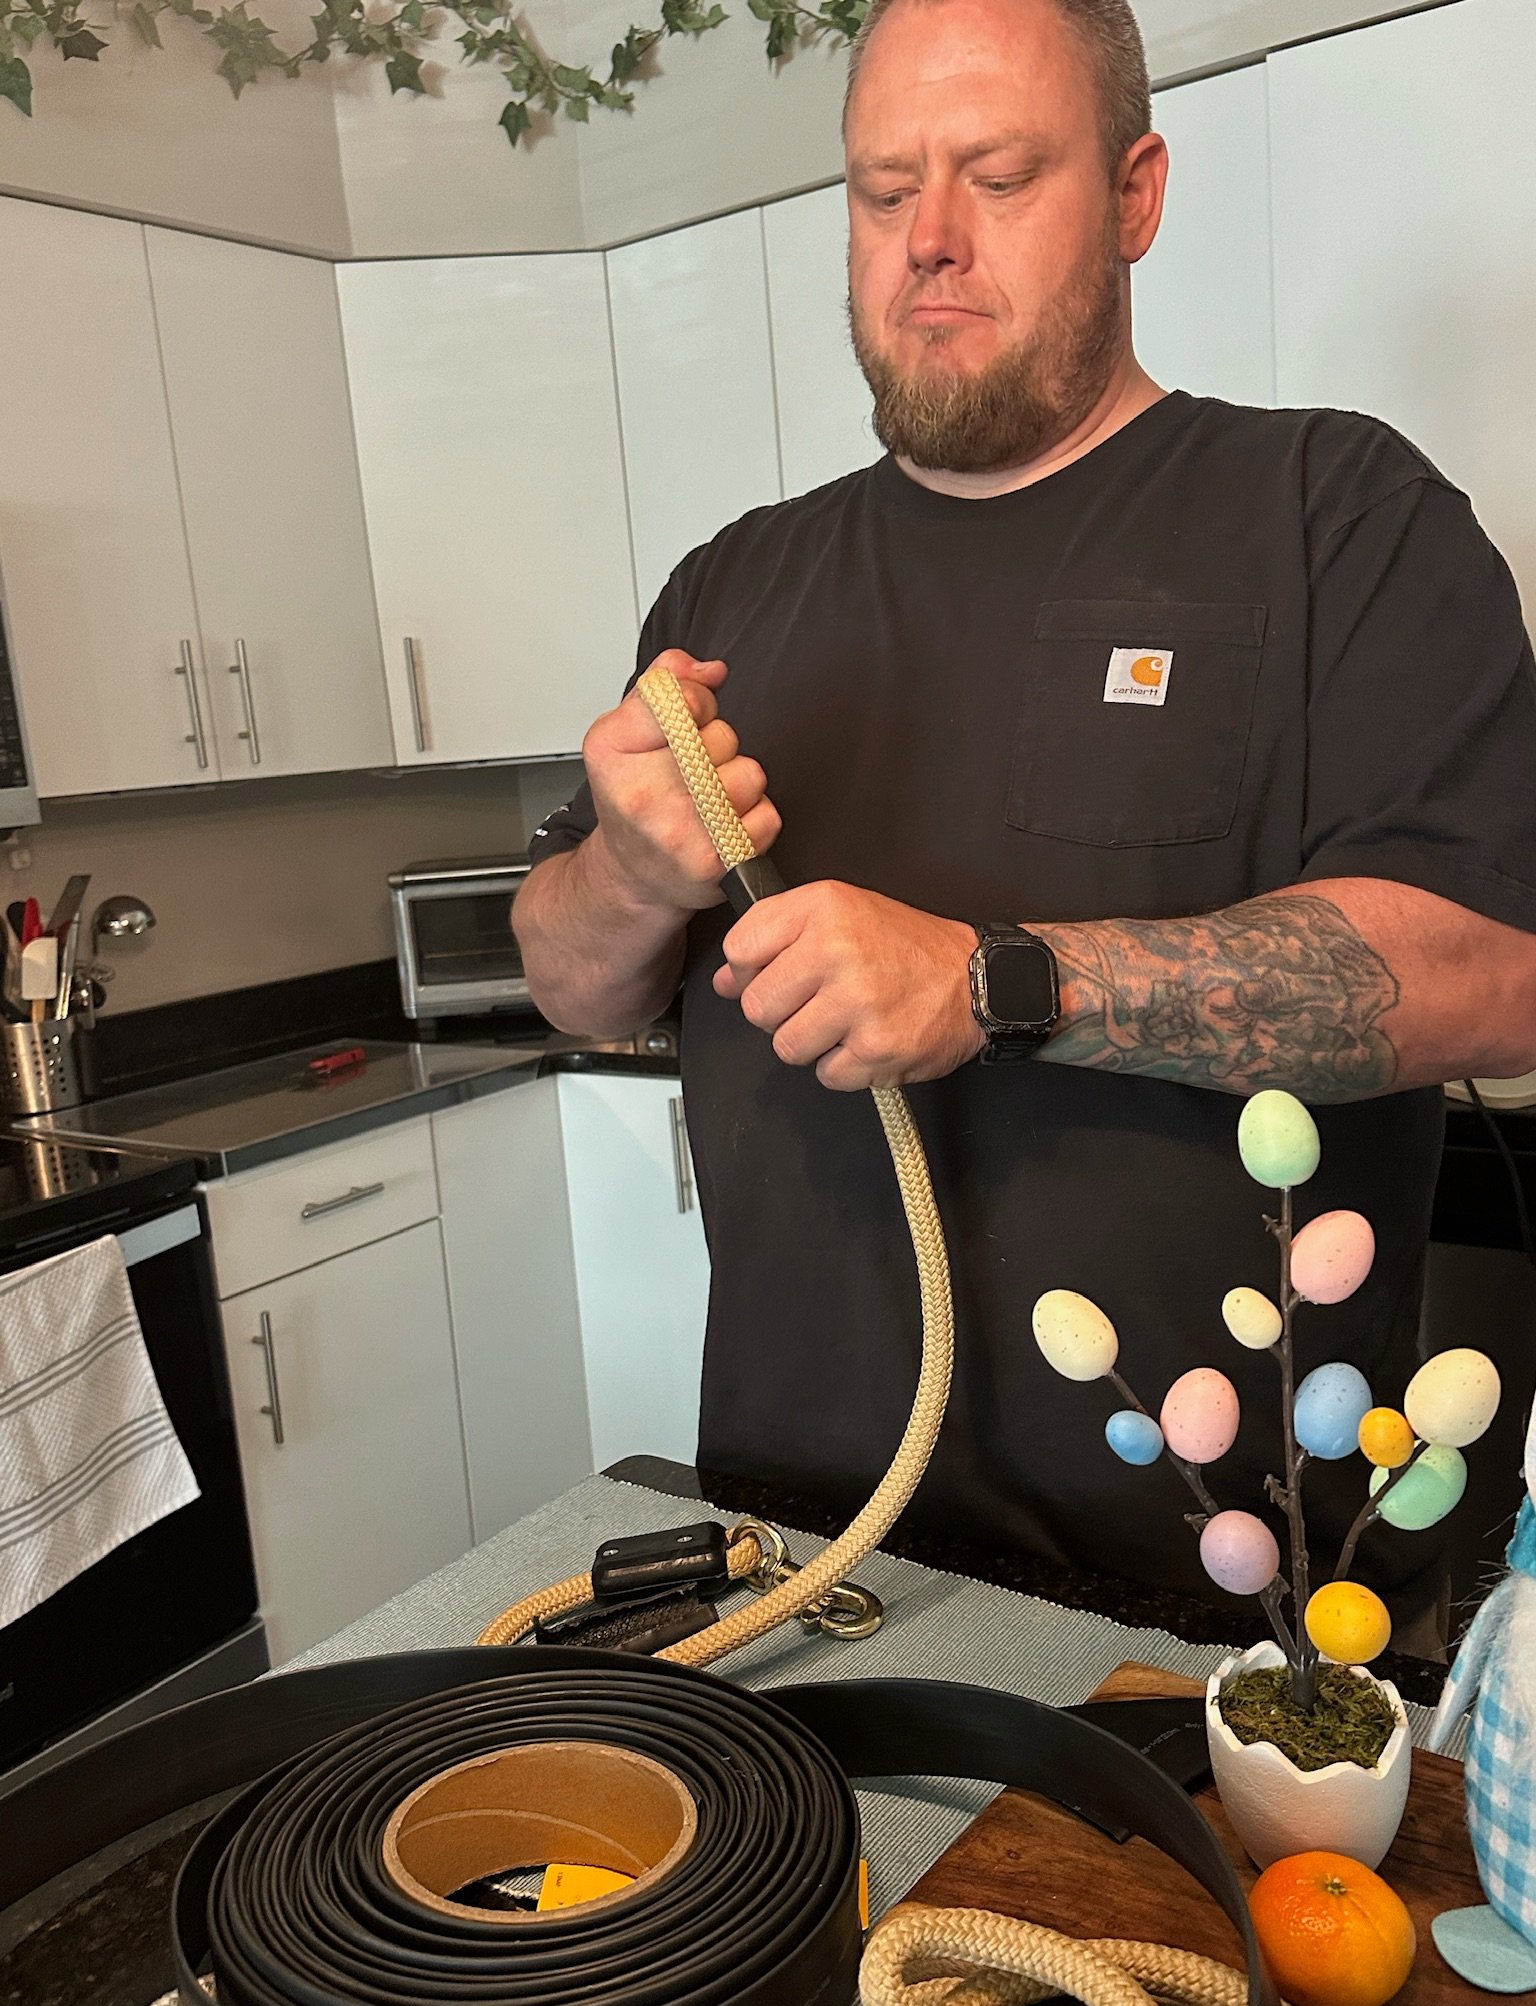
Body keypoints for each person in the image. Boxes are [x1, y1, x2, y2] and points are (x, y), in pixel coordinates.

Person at [514, 0, 1536, 1625]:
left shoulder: (1338, 517)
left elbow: (1494, 967)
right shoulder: (733, 584)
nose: (928, 240)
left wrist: (997, 983)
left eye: (998, 176)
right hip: (799, 1563)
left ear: (1135, 195)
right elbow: (572, 977)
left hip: (1213, 1612)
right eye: (881, 187)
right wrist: (630, 875)